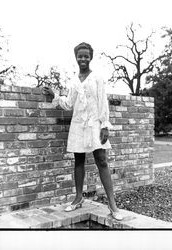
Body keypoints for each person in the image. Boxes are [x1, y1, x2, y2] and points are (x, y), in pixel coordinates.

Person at [43, 42, 124, 220]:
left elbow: (103, 102)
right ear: (76, 57)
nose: (83, 59)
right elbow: (69, 104)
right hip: (78, 125)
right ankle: (78, 198)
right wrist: (56, 96)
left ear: (91, 57)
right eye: (80, 56)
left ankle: (112, 205)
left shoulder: (97, 78)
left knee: (101, 160)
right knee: (78, 160)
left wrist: (104, 126)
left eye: (86, 56)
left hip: (95, 124)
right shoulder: (73, 80)